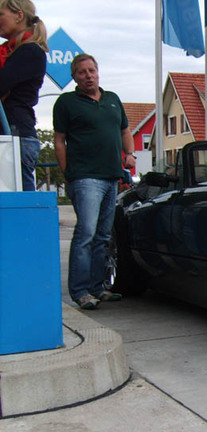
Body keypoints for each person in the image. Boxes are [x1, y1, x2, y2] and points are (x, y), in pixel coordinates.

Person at [53, 53, 136, 310]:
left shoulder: (112, 99)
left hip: (112, 176)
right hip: (85, 177)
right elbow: (59, 139)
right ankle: (80, 291)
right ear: (74, 77)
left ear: (98, 72)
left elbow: (124, 130)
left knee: (102, 236)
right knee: (86, 234)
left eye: (91, 70)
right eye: (82, 72)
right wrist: (68, 173)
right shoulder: (67, 103)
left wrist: (130, 154)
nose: (88, 76)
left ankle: (98, 288)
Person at [0, 0, 47, 191]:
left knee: (19, 201)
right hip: (9, 134)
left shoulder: (30, 52)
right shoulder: (9, 53)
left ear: (19, 16)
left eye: (0, 15)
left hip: (15, 133)